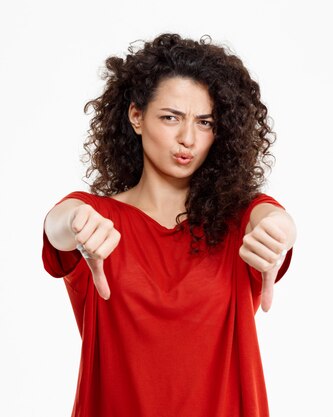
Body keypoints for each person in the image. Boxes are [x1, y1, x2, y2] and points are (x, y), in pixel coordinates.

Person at [42, 33, 297, 417]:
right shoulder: (96, 219)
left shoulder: (237, 223)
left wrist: (280, 228)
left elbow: (272, 219)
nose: (188, 138)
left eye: (205, 122)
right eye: (170, 117)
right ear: (136, 116)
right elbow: (58, 226)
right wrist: (71, 223)